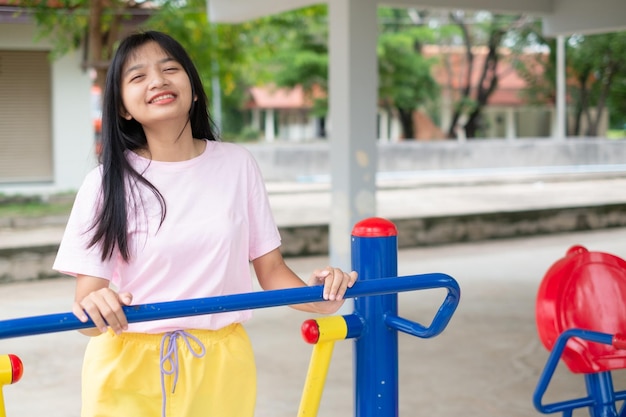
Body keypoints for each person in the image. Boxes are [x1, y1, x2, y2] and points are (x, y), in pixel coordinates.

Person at [53, 30, 358, 417]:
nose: (158, 81)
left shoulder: (237, 164)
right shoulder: (105, 182)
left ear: (194, 90)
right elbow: (87, 315)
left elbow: (272, 270)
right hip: (126, 366)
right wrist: (96, 305)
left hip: (222, 361)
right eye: (138, 76)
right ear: (123, 108)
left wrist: (321, 296)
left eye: (170, 69)